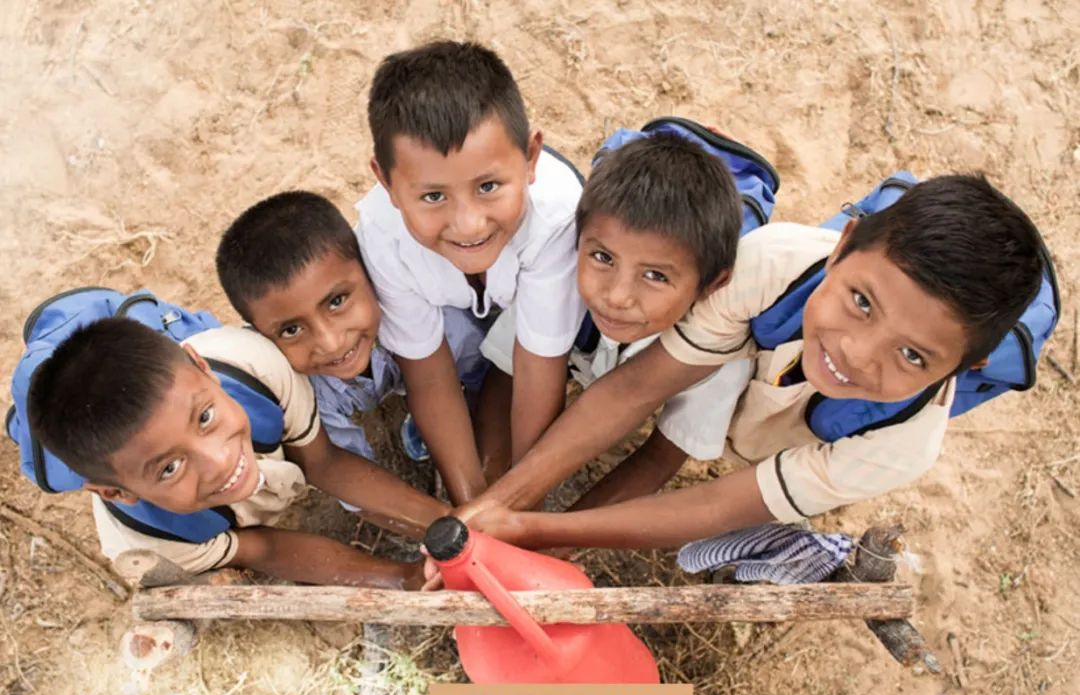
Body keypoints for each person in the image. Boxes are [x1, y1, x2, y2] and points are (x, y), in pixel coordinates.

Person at [458, 174, 1046, 550]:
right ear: (841, 246)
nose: (856, 353)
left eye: (913, 355)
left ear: (965, 368)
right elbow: (635, 389)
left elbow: (718, 504)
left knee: (766, 451)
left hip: (808, 413)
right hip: (769, 341)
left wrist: (536, 531)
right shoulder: (770, 264)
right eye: (862, 302)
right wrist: (499, 505)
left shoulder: (901, 445)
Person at [28, 317, 449, 587]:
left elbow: (323, 462)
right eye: (170, 467)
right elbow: (263, 548)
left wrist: (451, 527)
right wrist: (403, 577)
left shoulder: (253, 366)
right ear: (117, 493)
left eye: (205, 417)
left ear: (202, 366)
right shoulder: (152, 543)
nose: (219, 461)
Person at [357, 40, 585, 505]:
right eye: (433, 197)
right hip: (460, 310)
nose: (468, 224)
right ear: (387, 183)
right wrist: (470, 505)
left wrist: (520, 502)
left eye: (488, 186)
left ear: (532, 157)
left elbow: (539, 366)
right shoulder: (381, 235)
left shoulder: (559, 217)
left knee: (513, 422)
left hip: (530, 304)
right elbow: (429, 375)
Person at [481, 132, 752, 511]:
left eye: (655, 276)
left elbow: (659, 458)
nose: (617, 296)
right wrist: (489, 491)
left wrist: (549, 533)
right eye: (603, 258)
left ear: (711, 285)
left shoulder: (722, 352)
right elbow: (503, 377)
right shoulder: (558, 276)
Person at [217, 190, 403, 499]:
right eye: (291, 330)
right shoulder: (301, 397)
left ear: (367, 269)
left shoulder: (415, 311)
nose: (331, 343)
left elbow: (451, 377)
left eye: (337, 301)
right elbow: (340, 469)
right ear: (261, 336)